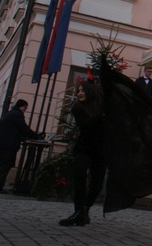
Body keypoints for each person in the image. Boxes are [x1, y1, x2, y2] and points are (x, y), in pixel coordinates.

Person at [59, 79, 106, 226]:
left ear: (90, 91)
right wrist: (103, 118)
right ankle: (79, 210)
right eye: (78, 90)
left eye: (82, 90)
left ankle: (85, 210)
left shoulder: (101, 107)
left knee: (97, 182)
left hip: (101, 149)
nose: (79, 93)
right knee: (79, 173)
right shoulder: (77, 108)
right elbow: (88, 126)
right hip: (84, 147)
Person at [0, 99, 40, 194]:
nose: (25, 110)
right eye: (25, 107)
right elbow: (23, 128)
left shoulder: (9, 114)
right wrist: (36, 136)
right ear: (22, 106)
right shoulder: (17, 115)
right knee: (4, 166)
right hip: (8, 145)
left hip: (1, 144)